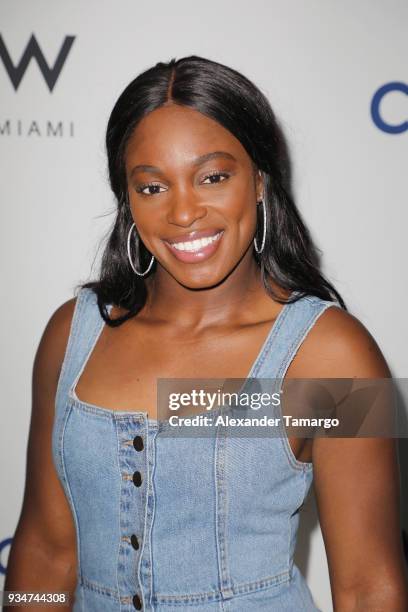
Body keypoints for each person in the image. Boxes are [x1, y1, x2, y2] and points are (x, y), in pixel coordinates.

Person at [5, 55, 407, 611]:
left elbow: (369, 587)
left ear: (261, 179)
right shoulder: (71, 334)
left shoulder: (336, 356)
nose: (184, 212)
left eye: (213, 176)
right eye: (151, 187)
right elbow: (44, 554)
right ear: (127, 199)